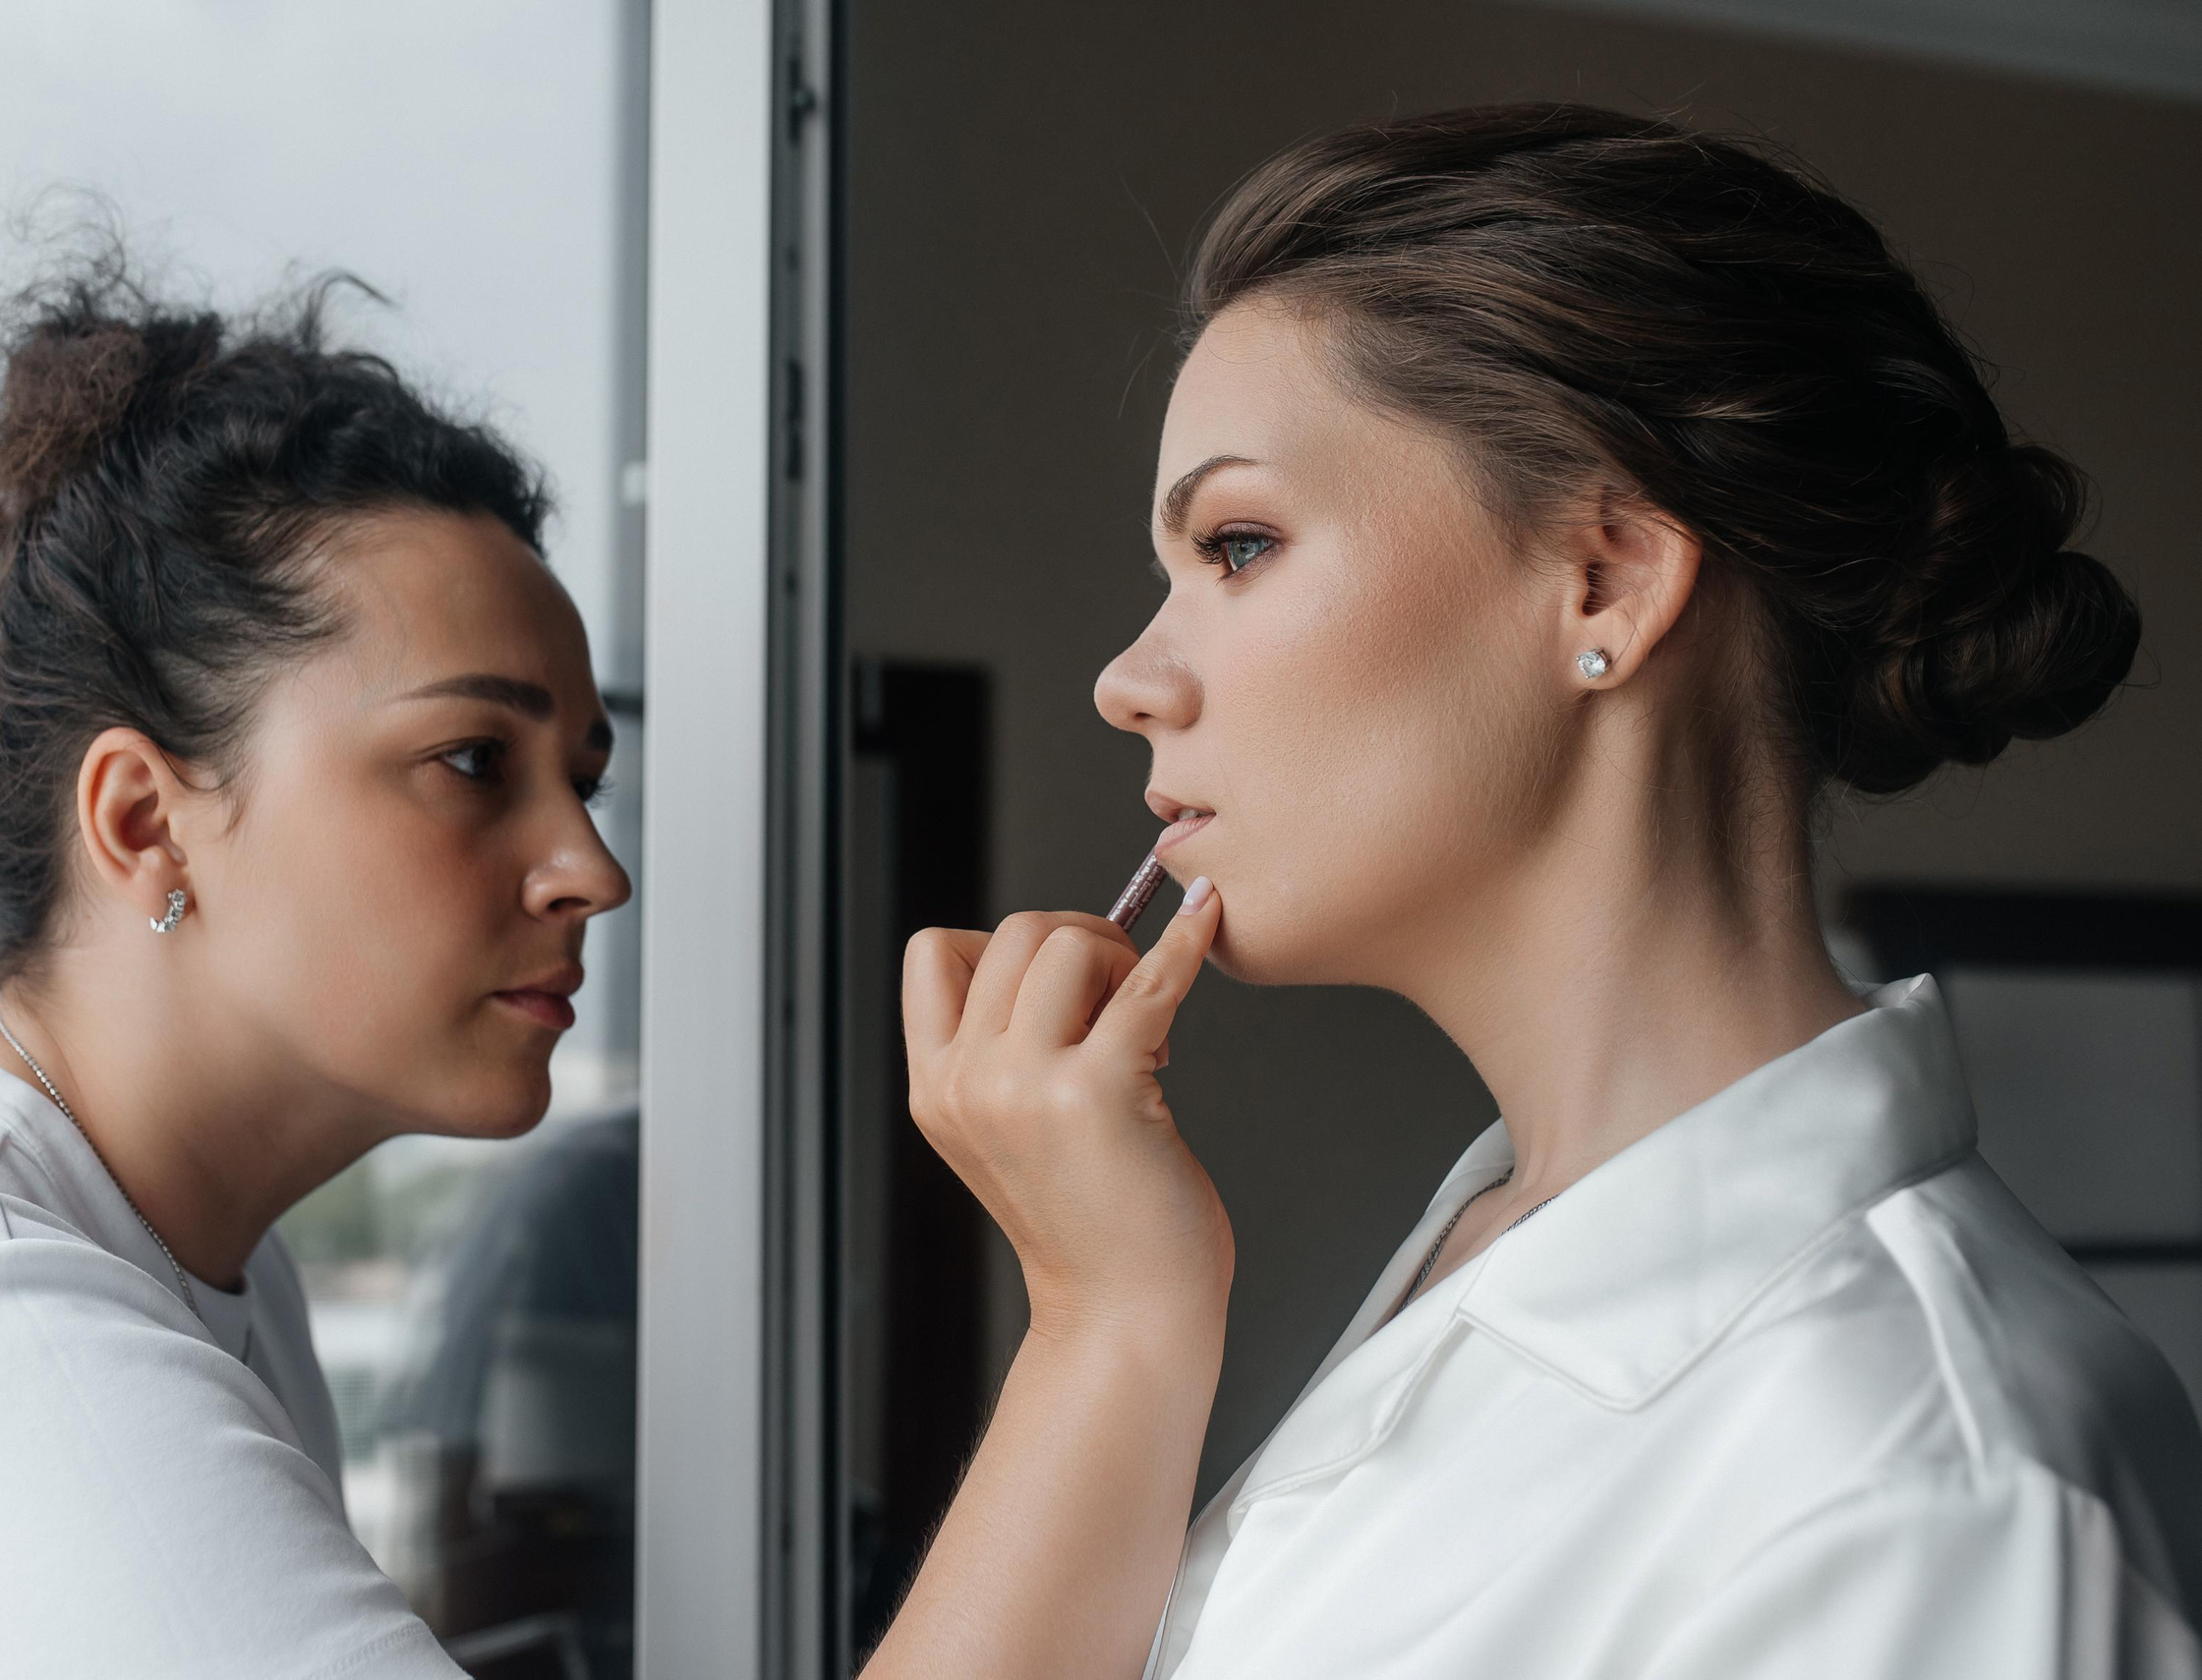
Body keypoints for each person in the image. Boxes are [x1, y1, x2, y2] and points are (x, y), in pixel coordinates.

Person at [0, 247, 1229, 1678]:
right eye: (473, 759)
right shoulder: (4, 1359)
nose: (594, 869)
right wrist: (1110, 1308)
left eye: (584, 773)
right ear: (145, 817)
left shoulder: (194, 1268)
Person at [902, 104, 2202, 1678]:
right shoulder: (1502, 1259)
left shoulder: (1924, 1488)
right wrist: (1104, 1311)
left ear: (1606, 580)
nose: (1127, 679)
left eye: (1238, 545)